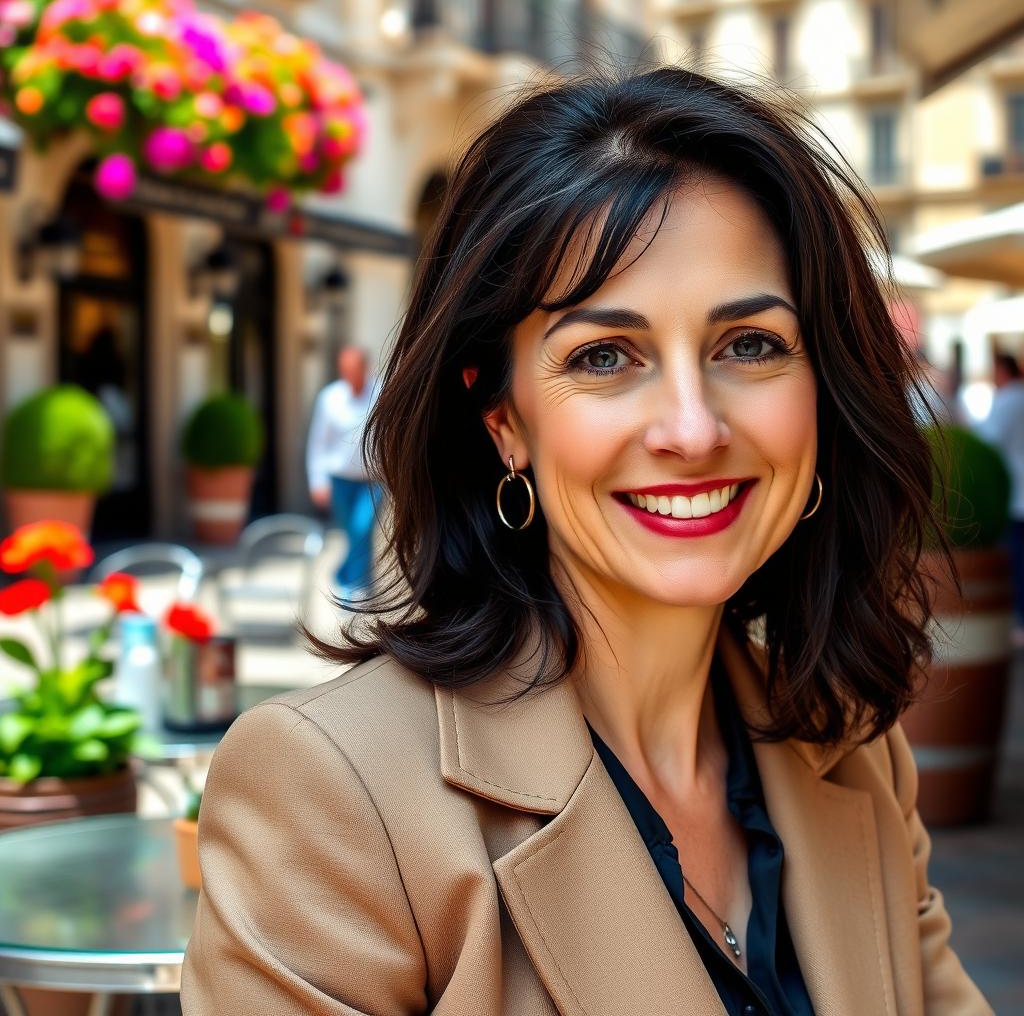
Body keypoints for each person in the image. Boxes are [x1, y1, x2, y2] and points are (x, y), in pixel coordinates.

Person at [183, 67, 991, 1015]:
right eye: (605, 356)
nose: (692, 430)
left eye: (752, 345)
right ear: (502, 418)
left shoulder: (853, 746)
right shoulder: (332, 795)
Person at [305, 345, 381, 595]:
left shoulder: (381, 393)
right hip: (340, 480)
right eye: (344, 368)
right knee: (353, 534)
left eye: (353, 368)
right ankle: (365, 581)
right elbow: (318, 442)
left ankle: (347, 582)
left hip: (373, 480)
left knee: (362, 527)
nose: (349, 373)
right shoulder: (330, 398)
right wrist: (318, 481)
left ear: (364, 367)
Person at [975, 351, 1024, 642]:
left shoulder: (1009, 399)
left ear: (1002, 371)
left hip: (1017, 496)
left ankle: (1020, 620)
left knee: (1017, 562)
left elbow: (985, 438)